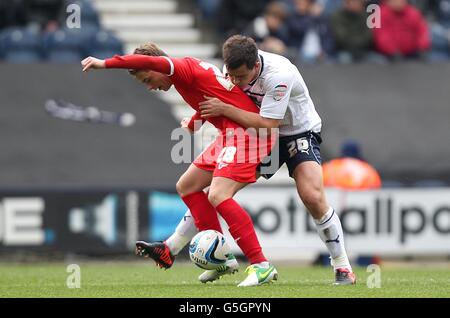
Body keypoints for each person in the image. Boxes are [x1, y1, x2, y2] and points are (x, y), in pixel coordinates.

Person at [145, 35, 356, 285]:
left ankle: (341, 266)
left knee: (311, 196)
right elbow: (224, 99)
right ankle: (174, 248)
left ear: (256, 66)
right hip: (256, 135)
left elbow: (268, 123)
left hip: (297, 132)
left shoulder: (279, 75)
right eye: (232, 76)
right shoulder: (232, 69)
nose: (235, 81)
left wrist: (224, 110)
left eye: (241, 78)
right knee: (216, 191)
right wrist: (195, 121)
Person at [81, 43, 279, 287]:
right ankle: (220, 259)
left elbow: (155, 64)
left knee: (218, 194)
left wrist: (104, 63)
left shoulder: (181, 67)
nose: (150, 87)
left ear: (155, 65)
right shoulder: (188, 74)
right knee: (187, 186)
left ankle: (261, 265)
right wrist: (196, 120)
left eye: (147, 79)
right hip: (232, 133)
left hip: (249, 134)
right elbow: (216, 94)